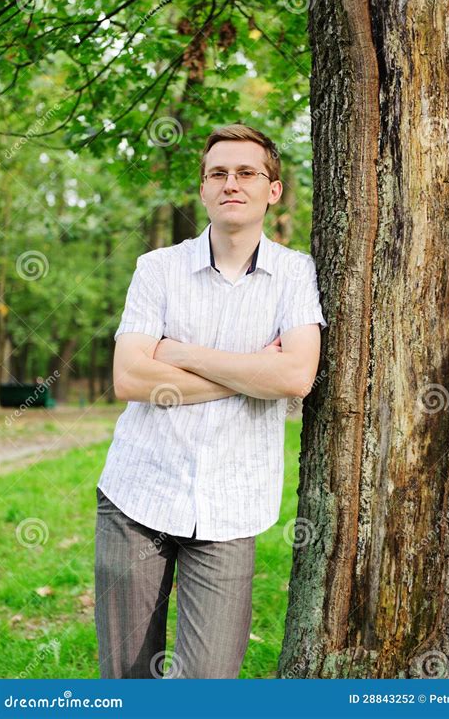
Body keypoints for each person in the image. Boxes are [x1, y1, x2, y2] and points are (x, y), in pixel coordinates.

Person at [94, 123, 328, 679]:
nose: (231, 183)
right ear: (202, 188)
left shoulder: (296, 274)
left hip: (232, 506)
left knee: (208, 686)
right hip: (137, 495)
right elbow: (129, 378)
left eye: (247, 172)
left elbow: (296, 376)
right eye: (218, 173)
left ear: (272, 190)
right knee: (127, 682)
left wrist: (179, 354)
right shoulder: (158, 268)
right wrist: (249, 373)